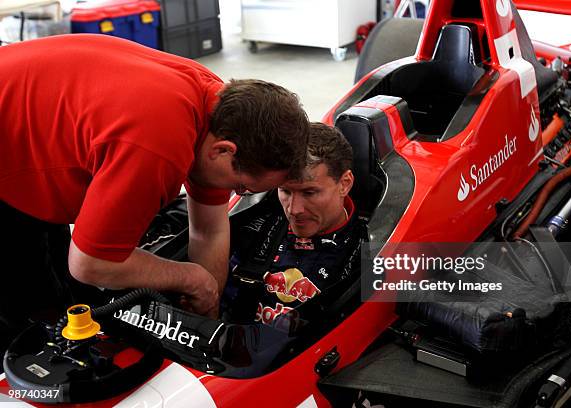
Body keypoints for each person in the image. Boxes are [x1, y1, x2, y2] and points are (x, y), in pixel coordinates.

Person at [0, 34, 309, 355]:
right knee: (25, 331)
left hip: (23, 137)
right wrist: (189, 279)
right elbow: (91, 263)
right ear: (223, 151)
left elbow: (209, 228)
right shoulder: (157, 146)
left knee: (63, 297)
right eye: (241, 187)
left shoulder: (221, 110)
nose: (236, 193)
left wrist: (208, 315)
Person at [226, 123, 364, 328]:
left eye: (309, 193)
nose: (294, 209)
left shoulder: (380, 249)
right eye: (286, 191)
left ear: (345, 184)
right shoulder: (253, 227)